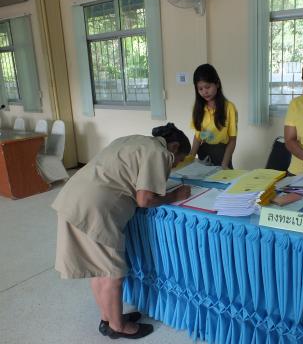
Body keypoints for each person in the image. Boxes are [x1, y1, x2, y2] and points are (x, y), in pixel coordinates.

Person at [52, 123, 192, 340]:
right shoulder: (160, 152)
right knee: (113, 273)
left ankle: (107, 319)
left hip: (74, 197)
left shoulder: (133, 139)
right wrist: (176, 196)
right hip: (95, 208)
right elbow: (144, 200)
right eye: (180, 159)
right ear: (174, 147)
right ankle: (118, 327)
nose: (177, 165)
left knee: (97, 268)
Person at [188, 63, 237, 169]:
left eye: (207, 87)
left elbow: (232, 140)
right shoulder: (198, 108)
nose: (204, 92)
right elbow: (198, 138)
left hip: (222, 154)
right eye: (200, 89)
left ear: (217, 84)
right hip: (204, 155)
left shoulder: (229, 108)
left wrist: (224, 163)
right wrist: (190, 157)